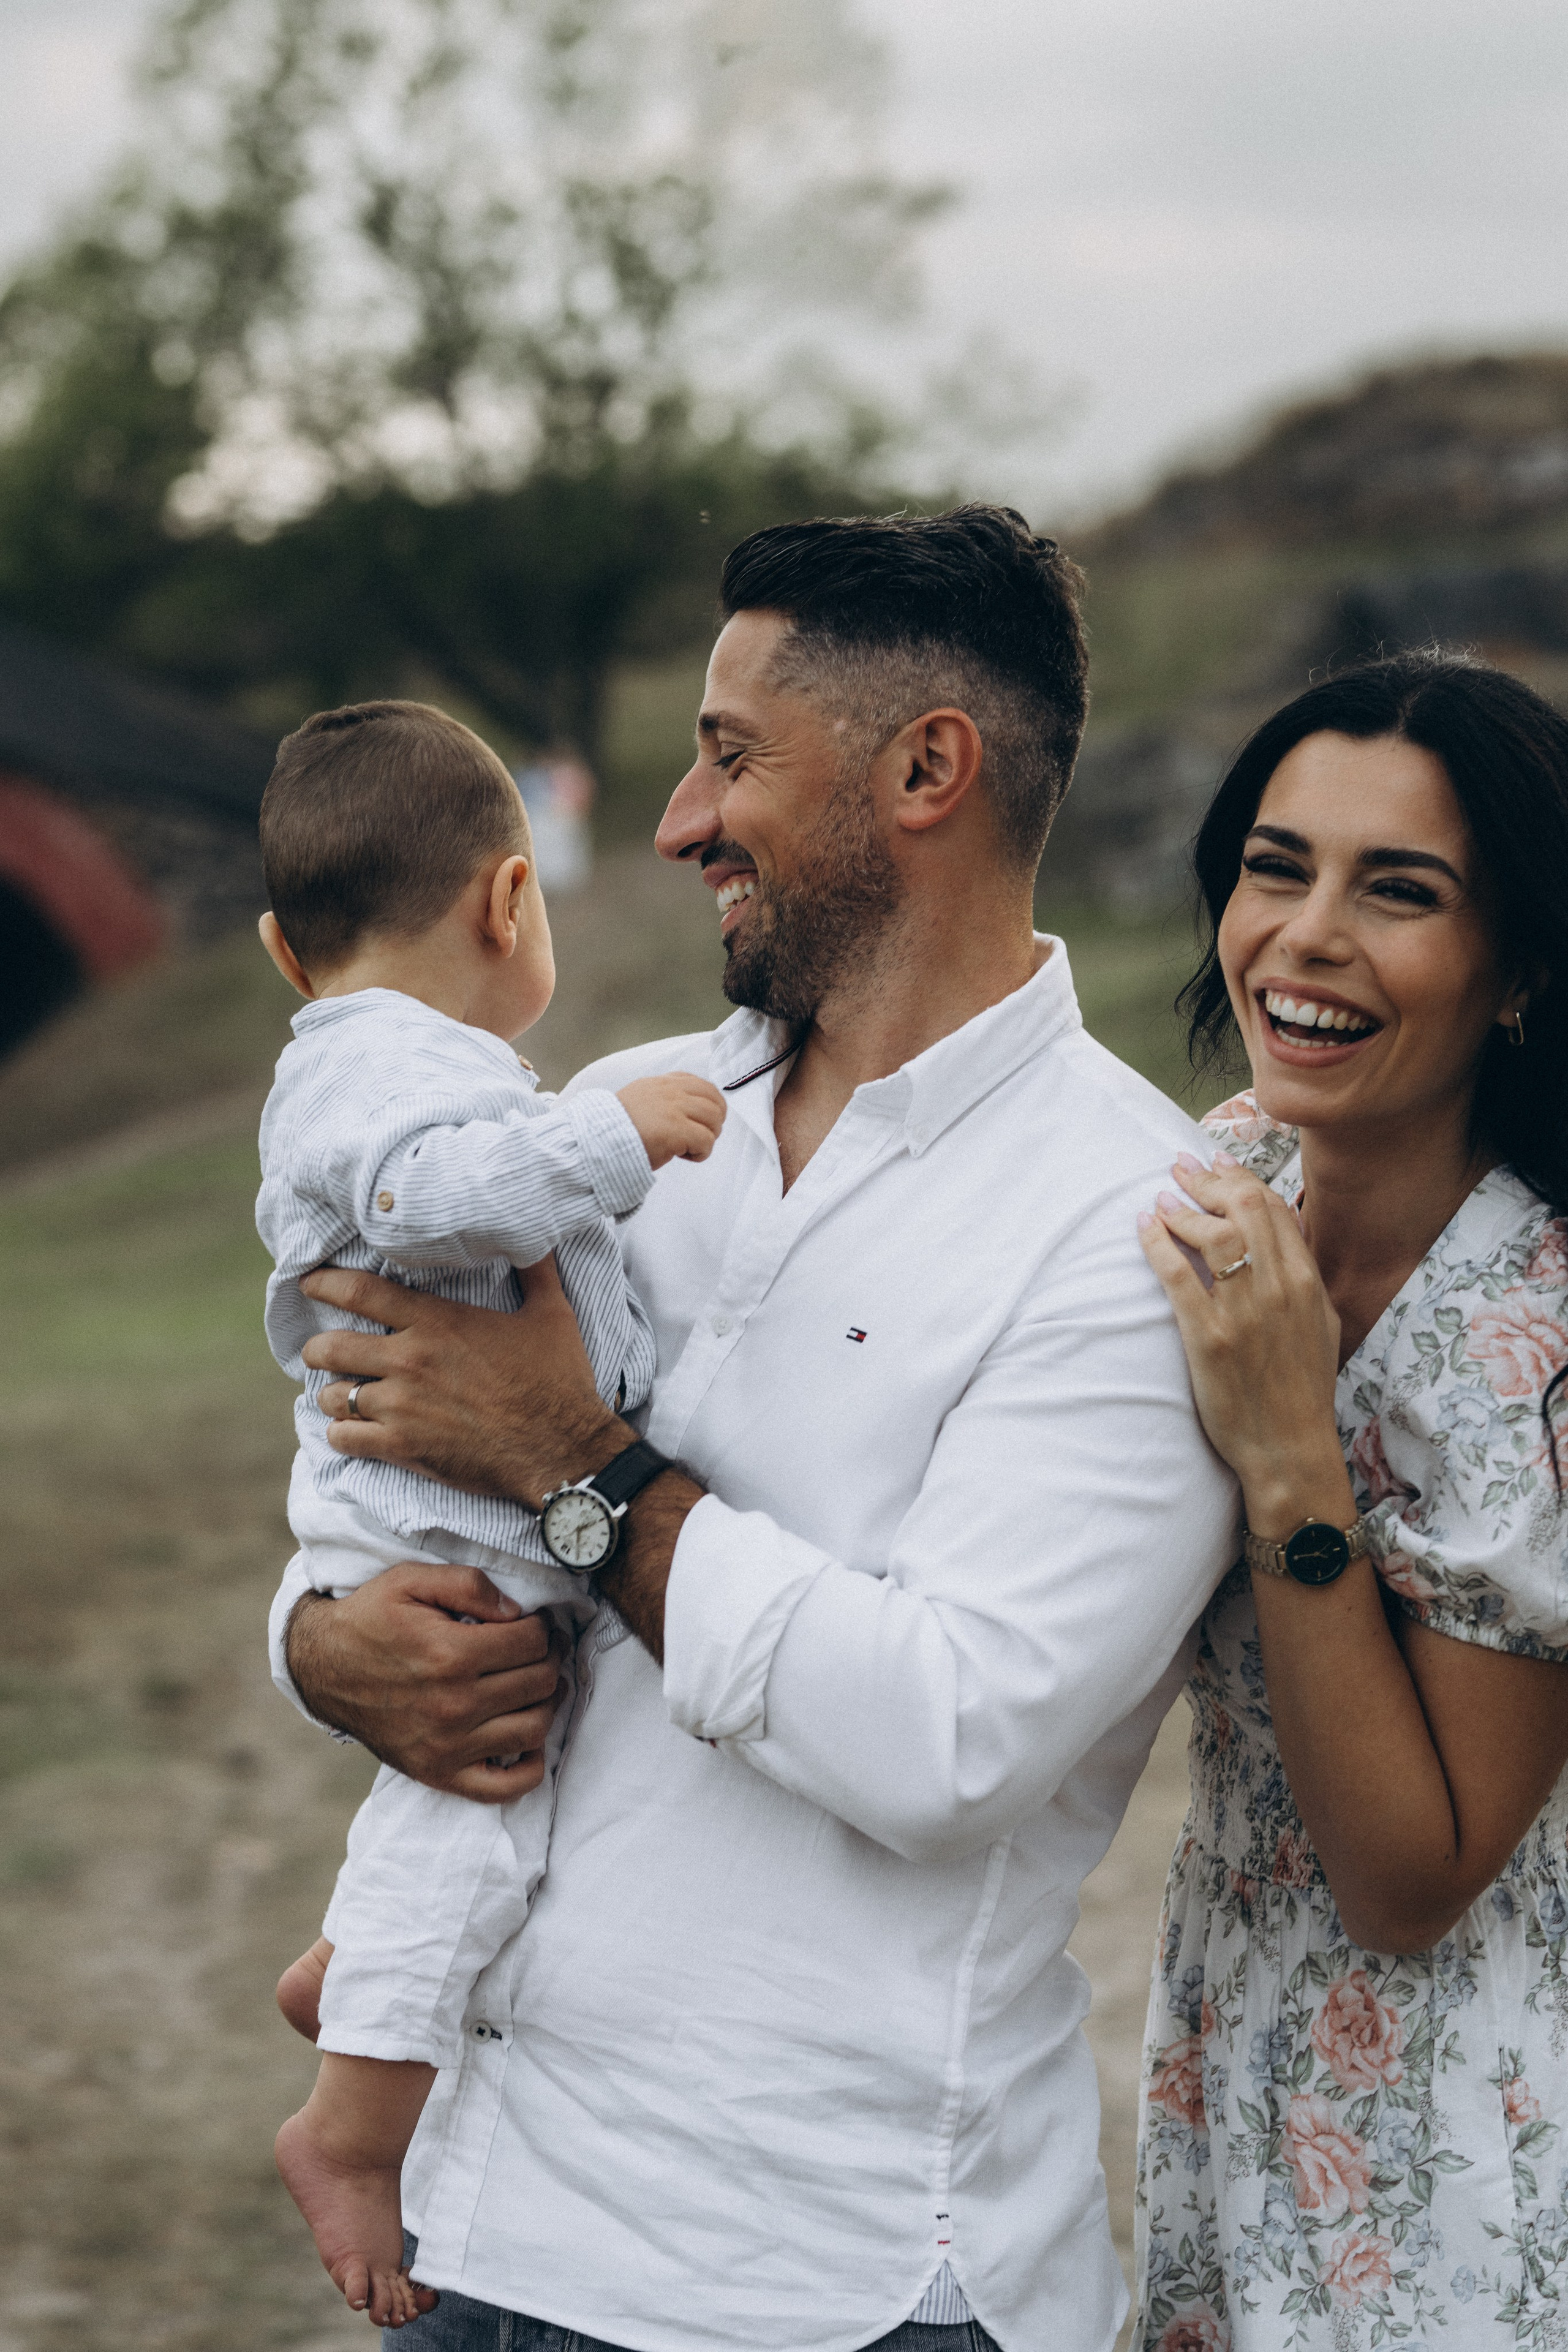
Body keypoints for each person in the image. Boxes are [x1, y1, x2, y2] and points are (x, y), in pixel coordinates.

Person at [267, 505, 1239, 2352]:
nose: (674, 823)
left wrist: (576, 1469)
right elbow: (388, 1459)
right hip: (477, 2212)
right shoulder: (624, 1124)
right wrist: (325, 1649)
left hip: (819, 2278)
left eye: (730, 759)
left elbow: (948, 1740)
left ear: (926, 769)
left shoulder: (1133, 1226)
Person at [254, 699, 726, 2327]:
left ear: (273, 946)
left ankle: (370, 1971)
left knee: (490, 1804)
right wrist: (609, 1137)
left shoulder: (396, 1055)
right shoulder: (386, 1071)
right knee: (484, 1790)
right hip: (436, 1532)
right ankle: (350, 2133)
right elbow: (417, 1199)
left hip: (455, 1519)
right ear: (510, 903)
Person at [1133, 652, 1568, 2350]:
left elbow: (1413, 1876)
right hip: (1225, 2047)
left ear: (1518, 962)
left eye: (1401, 891)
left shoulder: (1529, 1335)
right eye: (1274, 864)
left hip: (1471, 2130)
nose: (1306, 935)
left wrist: (1290, 1458)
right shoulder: (1233, 1169)